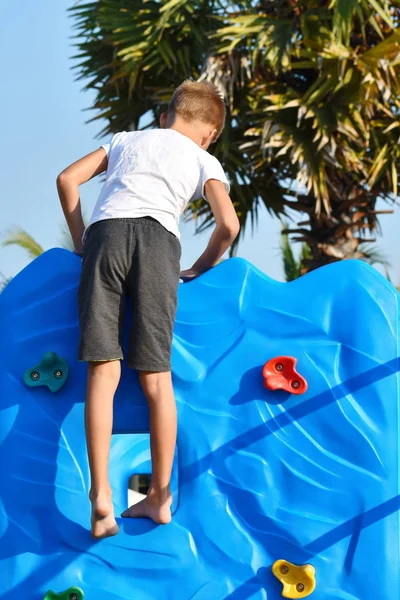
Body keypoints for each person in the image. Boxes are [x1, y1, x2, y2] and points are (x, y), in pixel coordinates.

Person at [56, 80, 240, 539]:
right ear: (208, 134)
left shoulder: (125, 140)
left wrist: (82, 241)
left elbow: (67, 179)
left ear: (165, 117)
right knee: (156, 378)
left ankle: (100, 496)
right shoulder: (203, 158)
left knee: (103, 371)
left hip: (107, 235)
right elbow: (229, 225)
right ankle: (158, 496)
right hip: (161, 244)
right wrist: (199, 266)